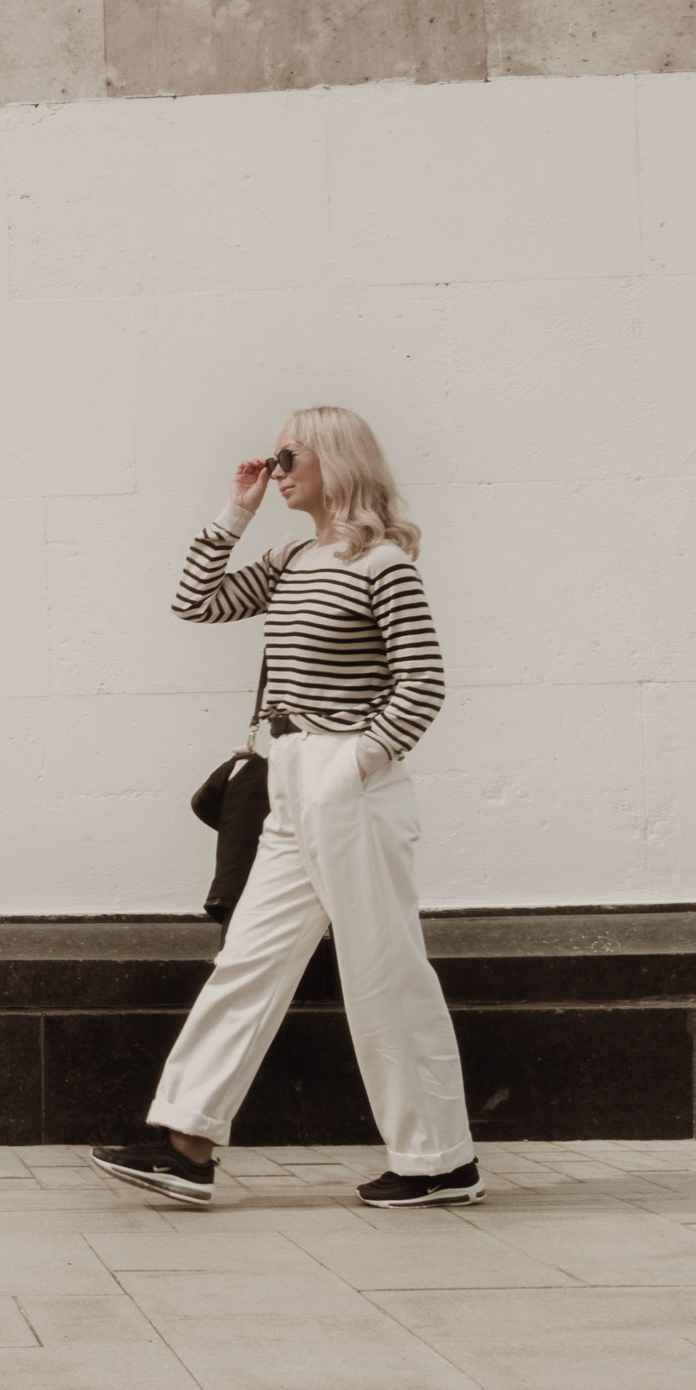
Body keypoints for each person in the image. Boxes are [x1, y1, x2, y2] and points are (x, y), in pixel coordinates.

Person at [90, 406, 480, 1210]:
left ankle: (440, 1159)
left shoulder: (383, 566)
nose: (276, 467)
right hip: (289, 773)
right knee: (250, 957)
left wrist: (356, 764)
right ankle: (185, 1142)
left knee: (382, 971)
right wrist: (237, 509)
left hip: (349, 778)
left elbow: (424, 682)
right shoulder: (293, 555)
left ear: (334, 459)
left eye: (288, 454)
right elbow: (196, 602)